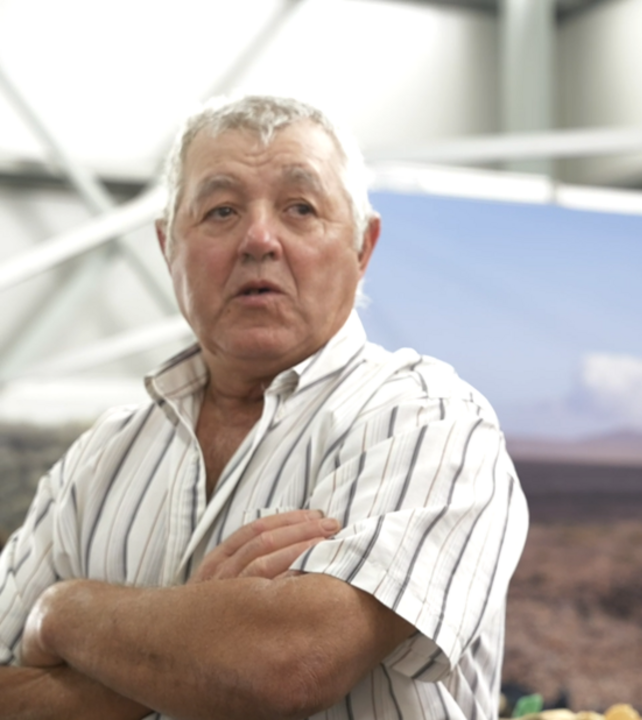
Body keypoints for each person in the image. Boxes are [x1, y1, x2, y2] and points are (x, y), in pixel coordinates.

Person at [0, 95, 528, 719]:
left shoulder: (430, 421)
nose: (259, 239)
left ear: (363, 247)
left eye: (300, 209)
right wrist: (198, 637)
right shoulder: (96, 465)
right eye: (221, 210)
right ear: (169, 245)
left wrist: (66, 613)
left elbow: (290, 665)